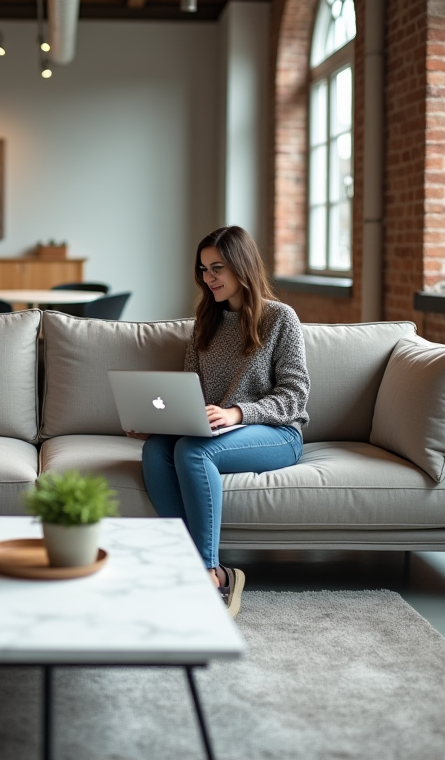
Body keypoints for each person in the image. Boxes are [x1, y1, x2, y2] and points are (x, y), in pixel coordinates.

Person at [127, 226, 309, 617]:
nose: (208, 278)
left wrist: (238, 413)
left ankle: (209, 573)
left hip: (277, 433)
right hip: (220, 430)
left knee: (192, 452)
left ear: (241, 267)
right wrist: (163, 421)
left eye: (217, 268)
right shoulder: (205, 322)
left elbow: (295, 396)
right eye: (203, 269)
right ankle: (203, 567)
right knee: (156, 450)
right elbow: (192, 391)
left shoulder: (280, 319)